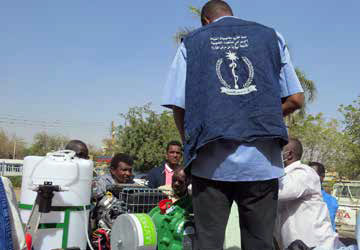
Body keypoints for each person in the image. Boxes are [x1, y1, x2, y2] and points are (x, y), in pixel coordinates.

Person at [162, 0, 304, 249]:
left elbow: (179, 106)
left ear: (206, 21)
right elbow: (295, 99)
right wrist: (253, 119)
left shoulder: (193, 43)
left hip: (210, 164)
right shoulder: (271, 37)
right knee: (260, 243)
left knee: (208, 243)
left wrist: (190, 147)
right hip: (263, 164)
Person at [275, 138, 343, 249]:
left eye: (274, 151)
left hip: (317, 246)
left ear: (289, 154)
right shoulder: (284, 176)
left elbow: (281, 191)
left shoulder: (304, 173)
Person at [309, 161, 339, 232]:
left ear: (322, 177)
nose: (307, 177)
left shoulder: (330, 201)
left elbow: (328, 227)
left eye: (312, 174)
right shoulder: (297, 195)